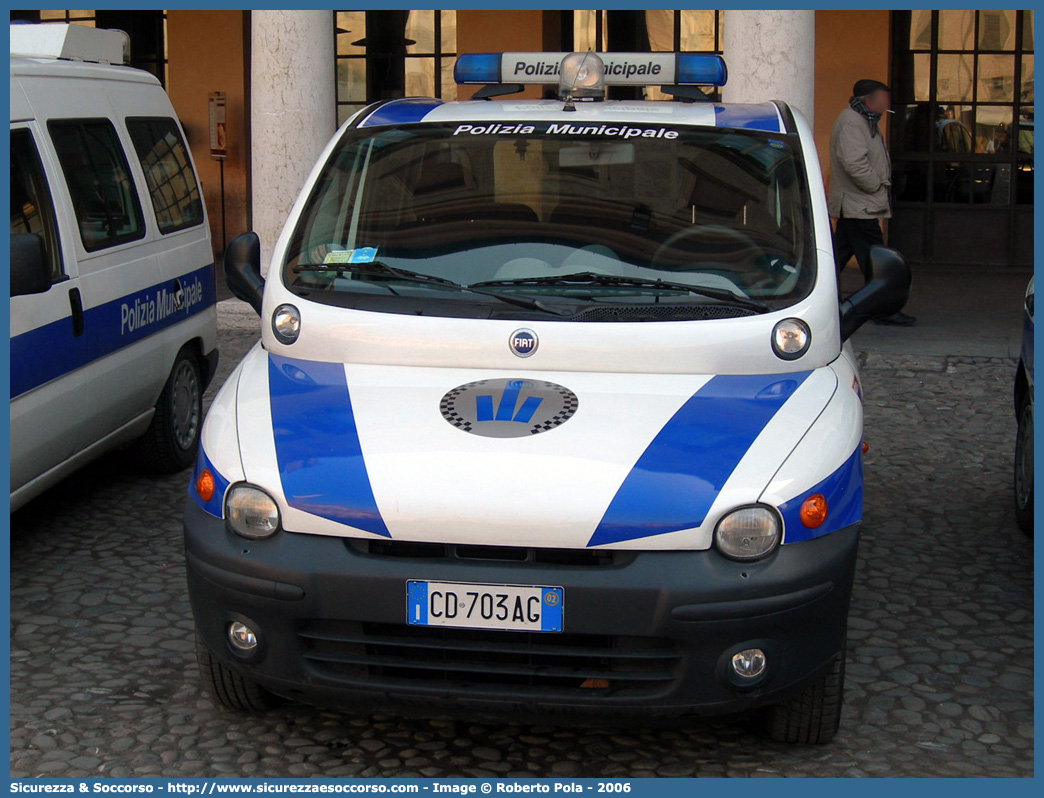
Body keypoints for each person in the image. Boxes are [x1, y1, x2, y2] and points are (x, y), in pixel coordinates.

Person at [829, 78, 916, 326]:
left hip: (857, 205)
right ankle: (883, 308)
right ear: (869, 100)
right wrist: (876, 185)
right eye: (883, 97)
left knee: (834, 258)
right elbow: (854, 163)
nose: (888, 103)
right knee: (877, 262)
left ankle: (811, 294)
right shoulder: (852, 122)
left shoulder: (865, 121)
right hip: (859, 205)